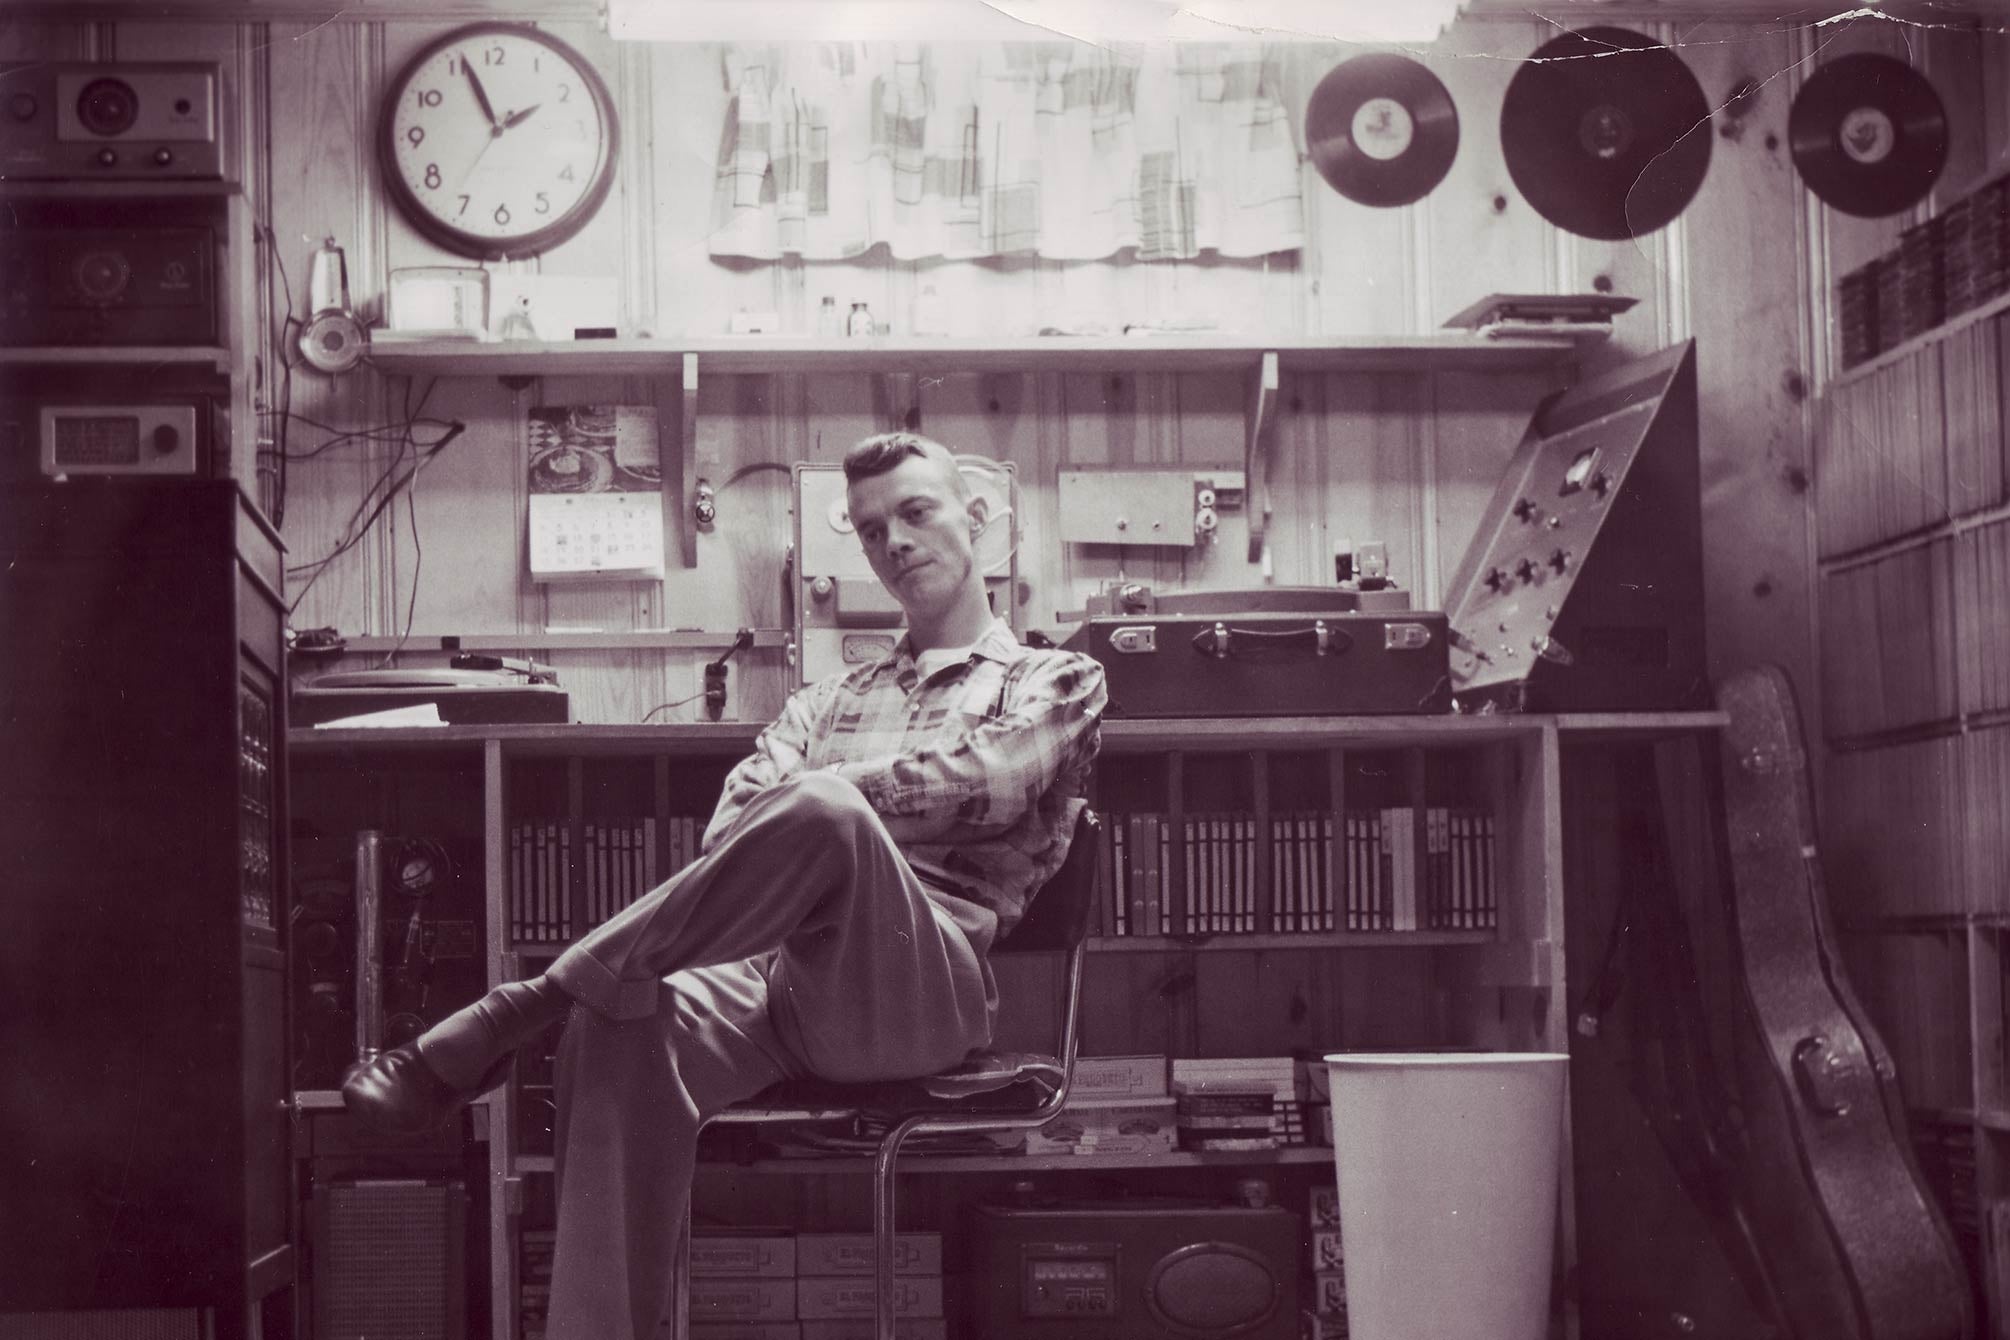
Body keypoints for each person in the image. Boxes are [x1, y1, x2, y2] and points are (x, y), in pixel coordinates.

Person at [342, 431, 1106, 1340]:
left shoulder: (1056, 677)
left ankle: (517, 1008)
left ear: (977, 520)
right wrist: (820, 813)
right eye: (869, 530)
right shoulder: (825, 699)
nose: (892, 542)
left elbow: (990, 783)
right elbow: (730, 831)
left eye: (915, 511)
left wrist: (832, 807)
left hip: (920, 983)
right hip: (777, 979)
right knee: (619, 1018)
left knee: (822, 811)